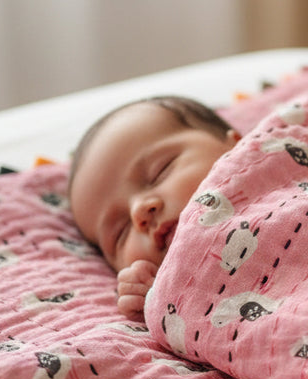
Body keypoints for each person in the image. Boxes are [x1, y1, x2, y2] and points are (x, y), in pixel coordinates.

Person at [68, 95, 239, 321]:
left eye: (160, 171)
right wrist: (155, 303)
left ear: (237, 144)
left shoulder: (285, 156)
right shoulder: (170, 299)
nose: (139, 211)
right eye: (120, 233)